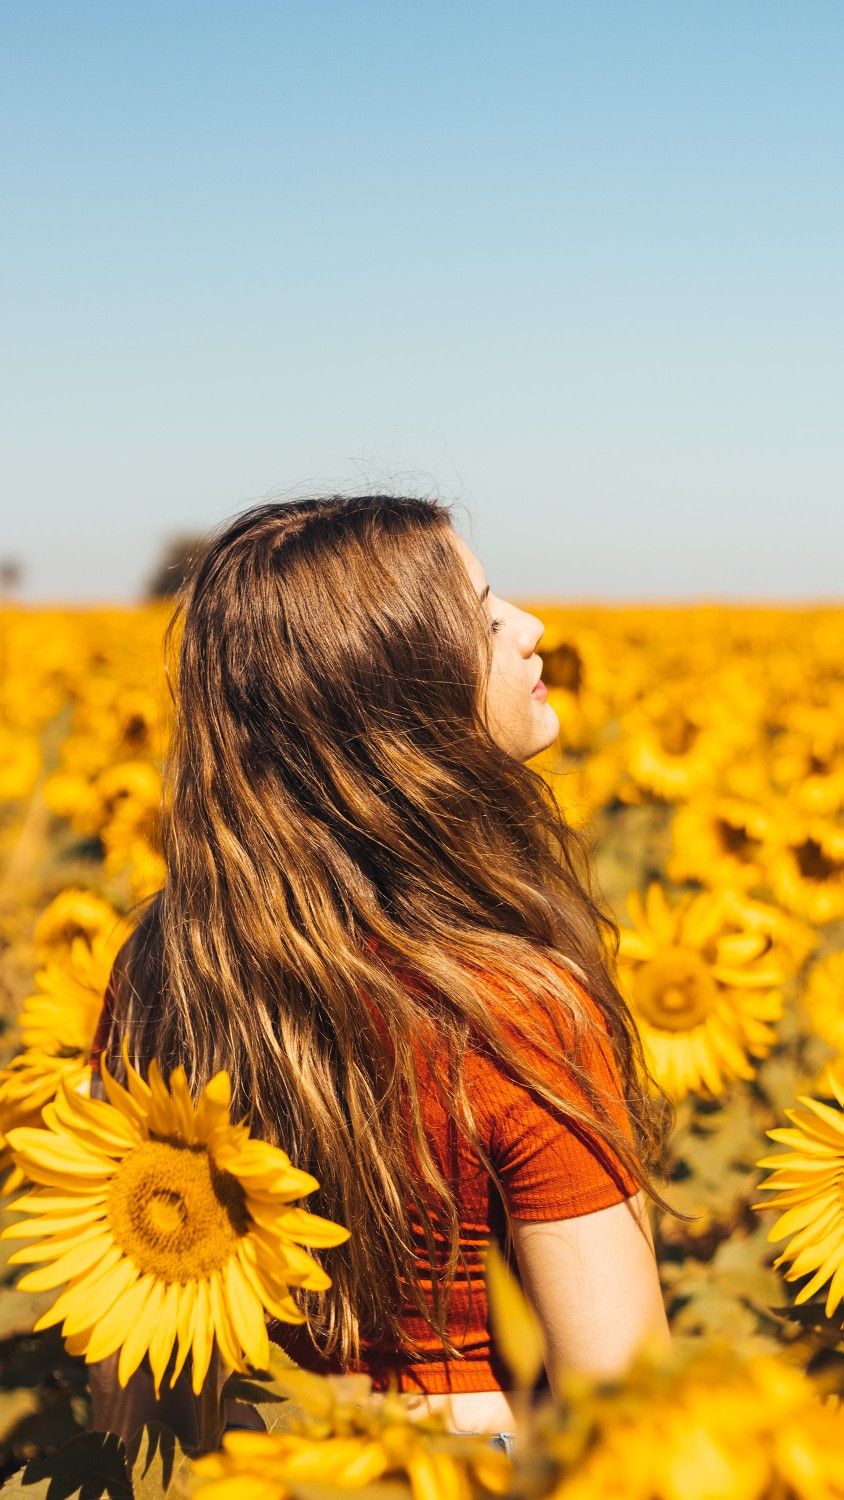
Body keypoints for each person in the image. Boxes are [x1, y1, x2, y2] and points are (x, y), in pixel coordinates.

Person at [87, 495, 674, 1450]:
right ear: (398, 703)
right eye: (483, 619)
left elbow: (134, 1353)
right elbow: (625, 1401)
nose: (532, 631)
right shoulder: (513, 1011)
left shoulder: (164, 967)